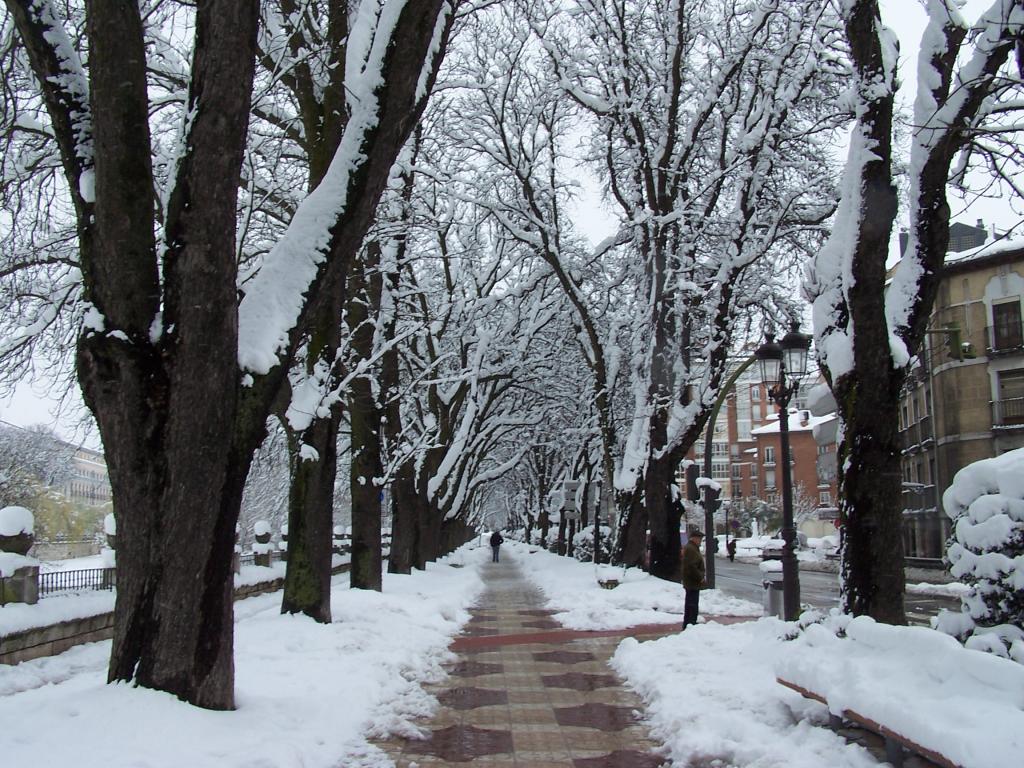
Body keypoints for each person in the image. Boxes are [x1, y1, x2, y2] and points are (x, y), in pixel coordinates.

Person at [681, 528, 707, 630]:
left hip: (691, 581)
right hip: (692, 582)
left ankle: (689, 623)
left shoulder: (692, 548)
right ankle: (690, 624)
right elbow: (691, 566)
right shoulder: (691, 549)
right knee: (692, 605)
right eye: (699, 539)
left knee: (691, 604)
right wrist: (700, 577)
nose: (700, 541)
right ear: (694, 538)